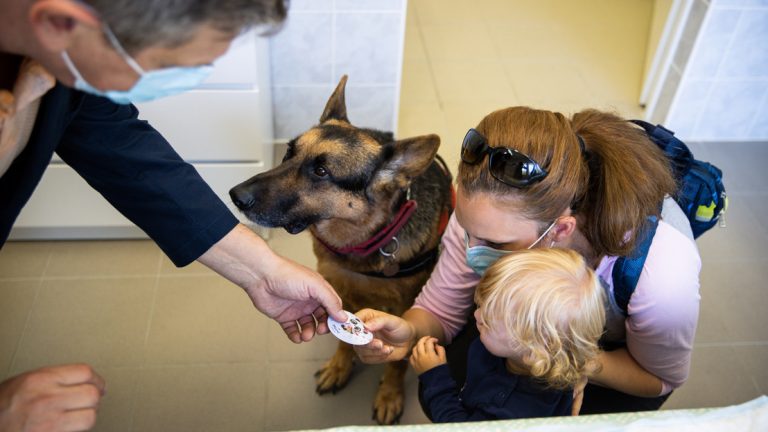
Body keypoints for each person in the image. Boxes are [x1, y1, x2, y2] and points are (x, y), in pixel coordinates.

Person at [0, 1, 345, 430]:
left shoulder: (61, 56)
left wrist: (260, 269)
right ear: (59, 24)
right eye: (165, 66)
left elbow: (114, 141)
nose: (177, 83)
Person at [355, 106, 701, 415]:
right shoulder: (485, 216)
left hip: (613, 363)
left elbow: (658, 378)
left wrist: (567, 360)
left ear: (559, 230)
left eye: (494, 243)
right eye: (467, 230)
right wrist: (411, 331)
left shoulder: (661, 275)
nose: (471, 249)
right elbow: (441, 308)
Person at [410, 248, 605, 422]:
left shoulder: (513, 412)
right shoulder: (531, 350)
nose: (476, 315)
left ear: (533, 353)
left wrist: (435, 378)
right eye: (481, 305)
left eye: (487, 322)